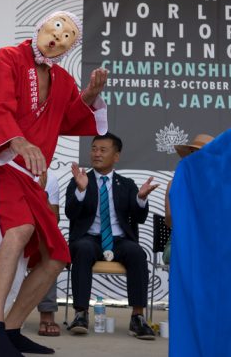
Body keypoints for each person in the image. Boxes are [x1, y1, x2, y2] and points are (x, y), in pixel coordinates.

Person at [0, 11, 108, 356]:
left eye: (68, 37)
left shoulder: (61, 80)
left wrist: (90, 93)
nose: (59, 37)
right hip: (1, 164)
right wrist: (19, 142)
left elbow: (72, 117)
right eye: (56, 28)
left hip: (30, 178)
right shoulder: (8, 58)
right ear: (41, 27)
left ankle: (12, 329)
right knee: (19, 230)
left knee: (57, 256)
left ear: (69, 48)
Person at [65, 133, 159, 340]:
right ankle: (81, 314)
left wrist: (141, 199)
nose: (96, 154)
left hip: (119, 241)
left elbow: (139, 217)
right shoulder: (80, 179)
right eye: (94, 149)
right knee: (83, 248)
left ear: (116, 156)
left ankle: (138, 318)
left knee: (136, 252)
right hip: (89, 238)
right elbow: (70, 213)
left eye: (103, 150)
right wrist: (80, 191)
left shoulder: (127, 184)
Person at [0, 170, 63, 336]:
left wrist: (41, 195)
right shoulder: (3, 172)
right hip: (11, 234)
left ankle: (46, 314)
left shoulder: (50, 178)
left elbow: (53, 220)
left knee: (53, 255)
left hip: (37, 238)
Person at [163, 133, 214, 264]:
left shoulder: (219, 187)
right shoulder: (174, 184)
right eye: (193, 153)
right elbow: (169, 220)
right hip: (180, 240)